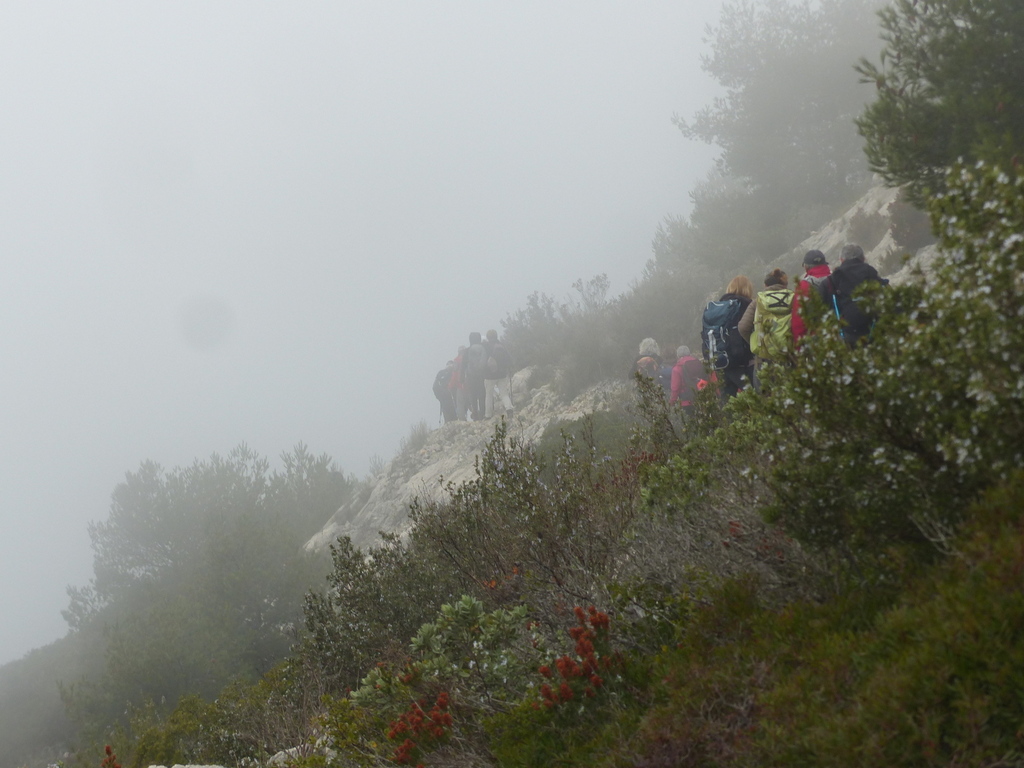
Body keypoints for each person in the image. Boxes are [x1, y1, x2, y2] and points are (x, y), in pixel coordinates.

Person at [822, 244, 888, 347]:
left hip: (845, 336)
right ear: (863, 258)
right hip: (875, 332)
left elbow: (818, 311)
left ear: (841, 260)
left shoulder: (830, 281)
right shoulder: (872, 273)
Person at [703, 275, 755, 398]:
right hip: (743, 363)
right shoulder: (747, 306)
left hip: (722, 361)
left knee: (726, 404)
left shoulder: (720, 308)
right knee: (755, 400)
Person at [739, 268, 794, 370]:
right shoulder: (794, 298)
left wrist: (758, 343)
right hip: (791, 354)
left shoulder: (757, 302)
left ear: (765, 285)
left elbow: (743, 327)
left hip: (765, 357)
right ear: (785, 284)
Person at [791, 249, 832, 346]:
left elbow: (799, 321)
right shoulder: (836, 280)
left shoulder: (804, 286)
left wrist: (799, 347)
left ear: (806, 267)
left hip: (816, 342)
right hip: (839, 337)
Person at [483, 329, 514, 418]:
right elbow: (508, 358)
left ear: (488, 337)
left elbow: (484, 360)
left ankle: (488, 415)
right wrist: (509, 368)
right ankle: (509, 409)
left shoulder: (486, 346)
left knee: (488, 395)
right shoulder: (501, 346)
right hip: (502, 374)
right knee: (504, 393)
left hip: (489, 375)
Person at [669, 345, 704, 415]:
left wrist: (671, 403)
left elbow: (675, 389)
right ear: (689, 354)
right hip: (702, 398)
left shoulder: (677, 368)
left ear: (678, 356)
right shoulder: (698, 363)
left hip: (686, 402)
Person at [462, 332, 489, 420]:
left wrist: (461, 378)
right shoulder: (484, 348)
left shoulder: (467, 350)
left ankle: (475, 415)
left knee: (473, 396)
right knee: (482, 395)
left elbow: (463, 365)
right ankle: (483, 414)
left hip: (471, 376)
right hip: (482, 375)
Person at [450, 346, 469, 420]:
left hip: (460, 384)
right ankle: (477, 416)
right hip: (471, 383)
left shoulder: (456, 360)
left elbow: (454, 373)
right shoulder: (469, 358)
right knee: (471, 401)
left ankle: (462, 419)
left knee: (460, 403)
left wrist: (451, 385)